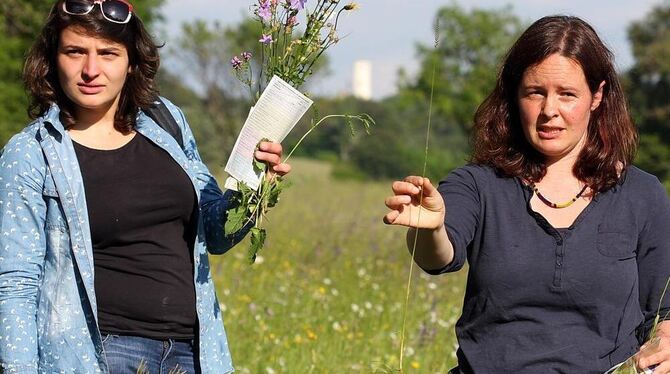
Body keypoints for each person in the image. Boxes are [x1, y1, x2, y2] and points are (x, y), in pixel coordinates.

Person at [0, 0, 290, 373]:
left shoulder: (165, 120)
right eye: (75, 52)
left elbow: (216, 234)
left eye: (108, 53)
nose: (91, 69)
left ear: (132, 61)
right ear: (54, 59)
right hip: (101, 353)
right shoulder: (30, 153)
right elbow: (15, 283)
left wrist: (254, 182)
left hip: (194, 350)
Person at [384, 15, 670, 373]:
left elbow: (666, 307)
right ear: (515, 95)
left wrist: (666, 344)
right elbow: (438, 256)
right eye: (536, 92)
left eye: (567, 94)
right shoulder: (476, 184)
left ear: (596, 96)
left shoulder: (643, 194)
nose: (550, 111)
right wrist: (429, 229)